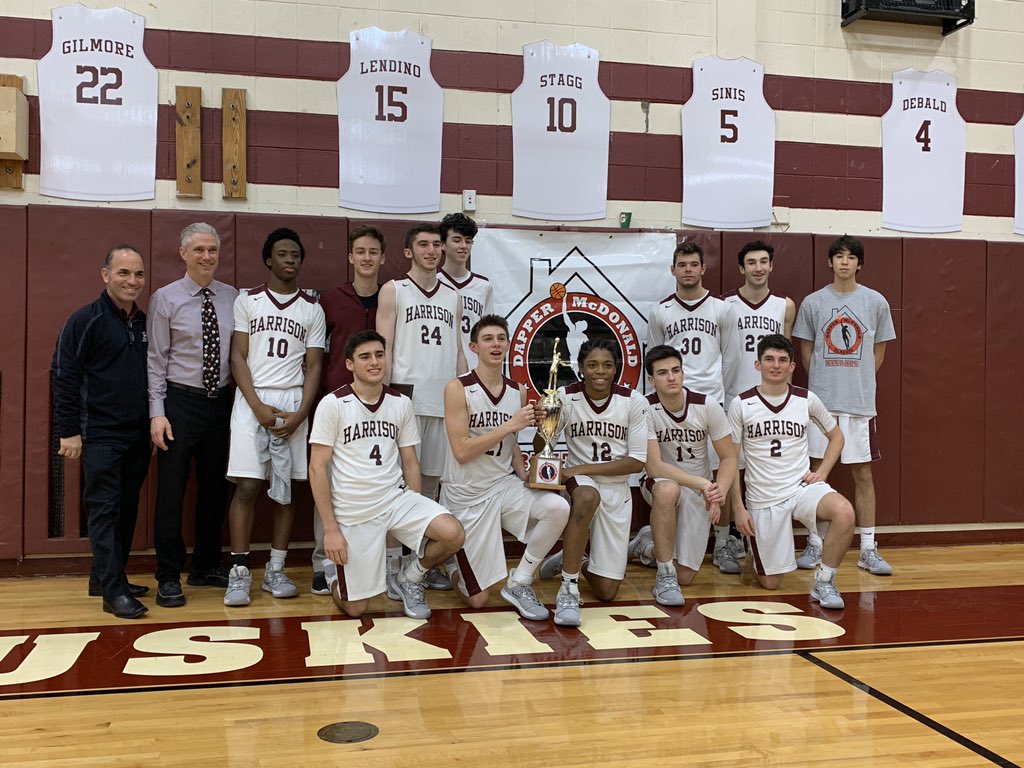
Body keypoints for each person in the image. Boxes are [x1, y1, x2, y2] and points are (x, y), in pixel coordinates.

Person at [308, 330, 465, 619]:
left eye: (379, 355)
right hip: (354, 509)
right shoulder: (332, 404)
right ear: (350, 364)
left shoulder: (401, 403)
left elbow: (410, 463)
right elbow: (317, 468)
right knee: (356, 609)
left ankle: (410, 577)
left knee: (452, 533)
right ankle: (334, 576)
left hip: (395, 499)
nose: (374, 362)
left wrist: (416, 514)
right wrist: (331, 529)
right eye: (365, 357)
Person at [441, 315, 570, 620]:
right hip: (465, 495)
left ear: (509, 345)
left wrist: (526, 473)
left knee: (557, 508)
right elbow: (461, 451)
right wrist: (511, 424)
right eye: (488, 339)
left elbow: (511, 443)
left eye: (501, 338)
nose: (495, 344)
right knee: (477, 600)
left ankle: (520, 580)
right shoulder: (457, 388)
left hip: (502, 486)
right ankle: (450, 562)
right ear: (474, 346)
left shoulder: (518, 391)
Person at [223, 228, 325, 607]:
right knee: (247, 487)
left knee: (285, 492)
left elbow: (314, 366)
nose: (290, 260)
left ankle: (276, 570)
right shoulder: (247, 300)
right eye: (282, 254)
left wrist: (300, 415)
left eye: (296, 255)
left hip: (293, 401)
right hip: (253, 400)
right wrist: (257, 407)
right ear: (268, 259)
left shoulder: (312, 308)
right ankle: (239, 572)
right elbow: (237, 356)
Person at [52, 246, 151, 619]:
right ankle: (113, 593)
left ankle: (106, 577)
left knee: (126, 509)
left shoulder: (142, 322)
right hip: (99, 434)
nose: (132, 281)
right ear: (105, 275)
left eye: (138, 274)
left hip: (137, 435)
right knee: (104, 510)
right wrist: (69, 432)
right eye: (124, 273)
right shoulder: (85, 321)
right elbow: (64, 376)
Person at [792, 235, 896, 576]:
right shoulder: (813, 303)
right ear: (830, 262)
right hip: (821, 404)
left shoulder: (876, 302)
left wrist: (857, 378)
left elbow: (878, 351)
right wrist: (826, 381)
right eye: (839, 256)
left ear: (859, 263)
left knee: (862, 474)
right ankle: (816, 543)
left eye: (851, 257)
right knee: (816, 473)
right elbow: (806, 352)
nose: (845, 262)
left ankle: (867, 548)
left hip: (860, 404)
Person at [148, 222, 238, 608]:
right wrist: (156, 413)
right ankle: (169, 574)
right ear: (183, 253)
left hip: (222, 403)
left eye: (212, 250)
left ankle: (205, 565)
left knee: (216, 489)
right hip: (179, 405)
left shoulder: (233, 297)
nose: (206, 257)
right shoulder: (165, 299)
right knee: (171, 493)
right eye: (199, 249)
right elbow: (155, 360)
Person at [728, 335, 854, 609]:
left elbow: (837, 437)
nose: (776, 366)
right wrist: (738, 508)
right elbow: (731, 460)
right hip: (763, 498)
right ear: (757, 364)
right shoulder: (741, 404)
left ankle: (825, 581)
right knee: (771, 584)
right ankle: (755, 553)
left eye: (782, 360)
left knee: (844, 512)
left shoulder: (806, 399)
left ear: (792, 367)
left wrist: (821, 471)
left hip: (801, 488)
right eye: (769, 360)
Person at [377, 223, 467, 589]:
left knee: (430, 489)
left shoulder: (453, 297)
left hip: (443, 402)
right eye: (423, 245)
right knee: (397, 489)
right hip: (406, 400)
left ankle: (420, 563)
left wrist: (469, 395)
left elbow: (459, 352)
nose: (431, 251)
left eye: (436, 245)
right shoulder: (393, 290)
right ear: (408, 252)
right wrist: (382, 401)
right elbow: (383, 346)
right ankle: (388, 565)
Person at [537, 339, 648, 627]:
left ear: (616, 369)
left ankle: (573, 557)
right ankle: (569, 589)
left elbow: (637, 461)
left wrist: (577, 467)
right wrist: (543, 420)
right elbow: (542, 445)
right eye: (593, 365)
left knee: (607, 591)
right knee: (586, 497)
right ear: (581, 369)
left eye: (607, 365)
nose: (600, 371)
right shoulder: (565, 396)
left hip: (617, 487)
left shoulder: (633, 401)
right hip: (583, 484)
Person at [647, 240, 742, 573]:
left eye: (693, 264)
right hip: (671, 402)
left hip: (709, 401)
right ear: (673, 270)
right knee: (673, 477)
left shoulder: (721, 309)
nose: (687, 270)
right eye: (681, 265)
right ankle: (657, 540)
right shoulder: (661, 311)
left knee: (721, 474)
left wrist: (717, 394)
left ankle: (724, 541)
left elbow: (731, 358)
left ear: (704, 269)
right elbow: (656, 358)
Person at [309, 224, 385, 595]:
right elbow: (318, 352)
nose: (367, 258)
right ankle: (322, 561)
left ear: (383, 258)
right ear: (350, 258)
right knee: (326, 477)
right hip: (337, 403)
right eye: (361, 252)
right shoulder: (331, 300)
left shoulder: (393, 295)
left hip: (380, 404)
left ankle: (382, 562)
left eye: (374, 252)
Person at [634, 345, 737, 606]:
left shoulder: (707, 405)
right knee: (669, 489)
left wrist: (719, 492)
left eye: (676, 371)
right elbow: (654, 467)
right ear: (651, 379)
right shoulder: (644, 407)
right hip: (660, 483)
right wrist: (705, 484)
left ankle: (646, 547)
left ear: (683, 373)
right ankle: (664, 575)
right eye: (662, 372)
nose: (671, 377)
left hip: (698, 489)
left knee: (688, 575)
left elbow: (728, 457)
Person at [438, 213, 493, 370]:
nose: (464, 246)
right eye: (457, 240)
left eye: (468, 241)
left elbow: (488, 332)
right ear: (442, 244)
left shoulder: (483, 286)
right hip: (442, 366)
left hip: (475, 367)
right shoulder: (434, 284)